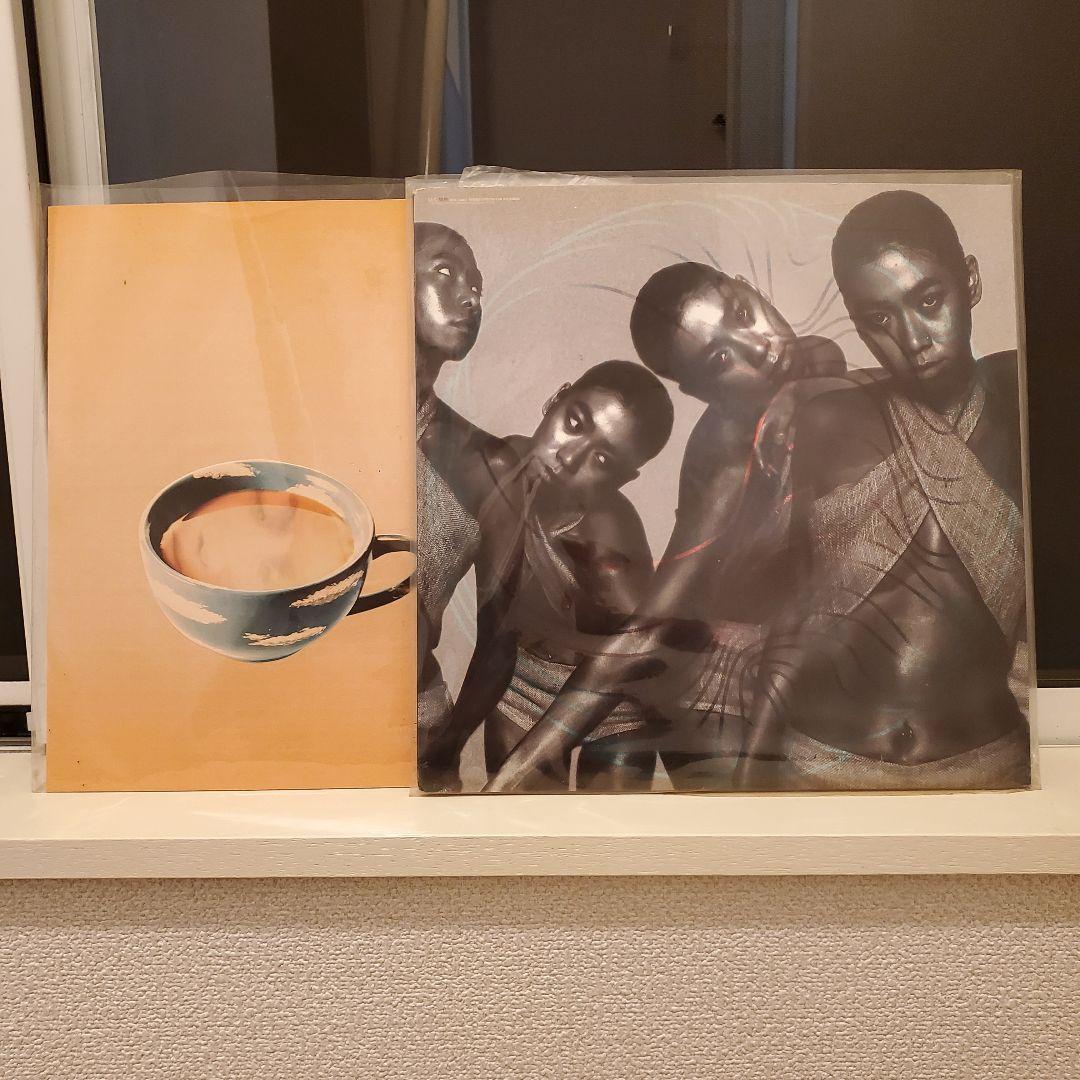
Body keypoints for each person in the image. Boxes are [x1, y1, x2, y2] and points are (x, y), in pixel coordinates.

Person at [484, 263, 848, 792]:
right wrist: (520, 768)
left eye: (742, 312)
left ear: (749, 285)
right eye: (721, 359)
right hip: (715, 688)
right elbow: (647, 630)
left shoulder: (795, 369)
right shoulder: (724, 459)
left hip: (809, 658)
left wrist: (800, 388)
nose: (759, 348)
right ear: (701, 391)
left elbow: (819, 353)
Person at [736, 189, 1030, 791]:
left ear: (971, 281)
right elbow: (794, 613)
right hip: (821, 762)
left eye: (929, 300)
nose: (913, 337)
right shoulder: (827, 423)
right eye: (878, 319)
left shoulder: (1022, 407)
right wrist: (748, 775)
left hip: (986, 769)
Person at [422, 360, 674, 791]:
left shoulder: (607, 534)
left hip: (614, 701)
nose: (568, 457)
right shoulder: (499, 468)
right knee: (522, 826)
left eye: (601, 459)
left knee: (613, 828)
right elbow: (496, 639)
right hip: (523, 685)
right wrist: (448, 746)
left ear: (623, 479)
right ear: (556, 398)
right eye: (574, 423)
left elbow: (640, 653)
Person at [413, 222, 503, 779]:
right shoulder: (315, 420)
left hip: (419, 731)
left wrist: (447, 744)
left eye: (477, 285)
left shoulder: (487, 464)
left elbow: (502, 638)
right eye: (445, 272)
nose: (470, 297)